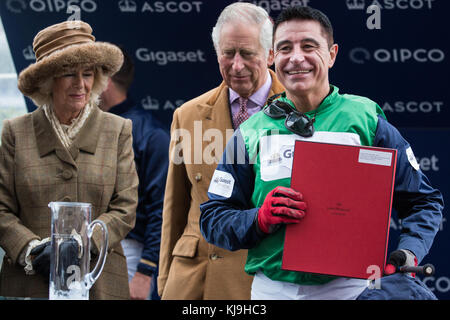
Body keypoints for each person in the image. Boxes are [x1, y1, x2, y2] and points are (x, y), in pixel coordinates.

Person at [199, 6, 444, 300]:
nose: (296, 57)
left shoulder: (366, 120)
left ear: (332, 54)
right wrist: (258, 219)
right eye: (285, 48)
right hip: (272, 290)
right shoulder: (249, 132)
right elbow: (213, 218)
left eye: (309, 46)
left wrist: (409, 251)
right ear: (273, 58)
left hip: (352, 290)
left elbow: (424, 200)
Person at [0, 20, 138, 300]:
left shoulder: (117, 130)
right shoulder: (15, 132)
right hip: (30, 284)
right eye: (68, 74)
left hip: (99, 283)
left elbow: (126, 207)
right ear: (48, 81)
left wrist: (80, 245)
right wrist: (32, 250)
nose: (81, 84)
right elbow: (1, 208)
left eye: (88, 74)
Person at [158, 2, 284, 300]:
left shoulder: (302, 113)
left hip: (260, 279)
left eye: (247, 54)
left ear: (270, 55)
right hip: (193, 280)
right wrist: (165, 280)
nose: (236, 65)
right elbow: (175, 205)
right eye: (228, 54)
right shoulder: (187, 115)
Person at [99, 47, 169, 300]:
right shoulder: (86, 127)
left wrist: (145, 271)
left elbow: (162, 210)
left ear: (104, 81)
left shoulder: (151, 135)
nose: (81, 84)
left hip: (129, 253)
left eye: (88, 75)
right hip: (88, 249)